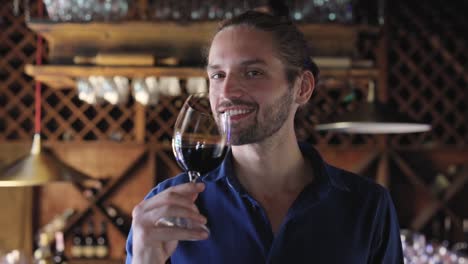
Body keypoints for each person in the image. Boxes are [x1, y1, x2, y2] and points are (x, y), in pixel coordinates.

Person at [126, 10, 404, 264]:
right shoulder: (164, 210)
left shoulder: (368, 206)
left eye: (253, 73)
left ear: (302, 88)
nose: (227, 92)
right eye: (218, 75)